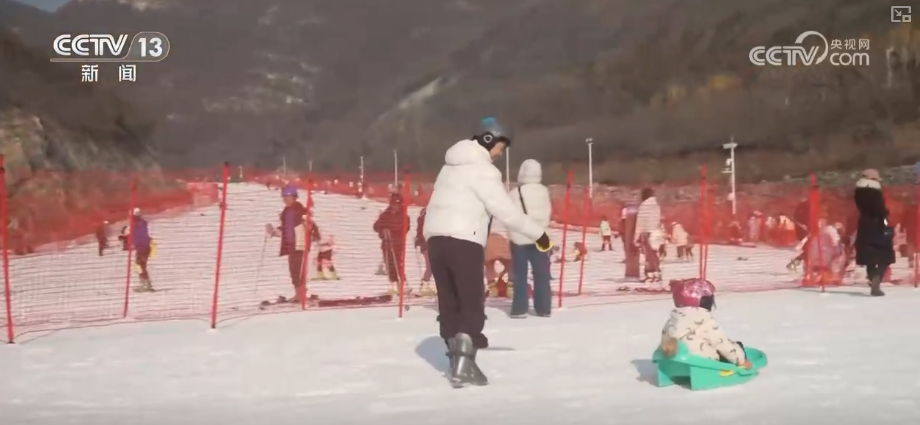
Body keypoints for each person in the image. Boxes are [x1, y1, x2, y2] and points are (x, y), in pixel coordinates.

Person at [423, 116, 552, 387]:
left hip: (435, 242)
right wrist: (539, 234)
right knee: (471, 302)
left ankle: (459, 362)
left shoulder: (449, 167)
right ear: (489, 139)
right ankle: (462, 365)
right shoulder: (483, 170)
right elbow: (505, 210)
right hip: (464, 242)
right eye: (500, 148)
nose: (499, 154)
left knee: (449, 303)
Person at [660, 278, 751, 368]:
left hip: (677, 363)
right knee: (736, 346)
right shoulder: (705, 321)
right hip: (703, 364)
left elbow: (665, 342)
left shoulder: (672, 321)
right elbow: (721, 343)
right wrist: (741, 361)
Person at [508, 159, 553, 318]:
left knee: (520, 275)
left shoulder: (515, 193)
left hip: (519, 239)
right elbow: (548, 214)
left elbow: (510, 216)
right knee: (542, 274)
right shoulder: (544, 191)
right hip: (539, 237)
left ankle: (520, 308)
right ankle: (544, 308)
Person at [854, 169, 894, 296]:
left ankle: (872, 276)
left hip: (864, 224)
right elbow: (880, 210)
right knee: (884, 255)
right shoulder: (875, 192)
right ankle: (876, 279)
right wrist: (886, 218)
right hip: (878, 224)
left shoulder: (858, 191)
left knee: (868, 254)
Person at [269, 185, 309, 302]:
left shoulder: (299, 209)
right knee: (294, 269)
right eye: (284, 197)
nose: (286, 199)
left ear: (294, 197)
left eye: (288, 197)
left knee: (298, 269)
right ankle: (298, 294)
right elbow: (286, 227)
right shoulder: (287, 211)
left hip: (300, 243)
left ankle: (301, 294)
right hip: (291, 244)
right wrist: (275, 231)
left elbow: (307, 224)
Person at [374, 193, 410, 295]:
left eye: (397, 204)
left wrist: (391, 231)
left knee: (398, 264)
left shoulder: (404, 216)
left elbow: (405, 228)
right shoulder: (385, 214)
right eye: (393, 204)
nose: (395, 206)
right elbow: (376, 227)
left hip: (398, 244)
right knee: (389, 264)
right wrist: (383, 230)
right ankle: (393, 283)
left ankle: (403, 284)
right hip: (386, 243)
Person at [634, 188, 663, 283]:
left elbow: (640, 222)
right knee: (655, 254)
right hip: (657, 231)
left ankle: (650, 274)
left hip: (647, 233)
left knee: (648, 255)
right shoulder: (656, 205)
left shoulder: (644, 206)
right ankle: (657, 272)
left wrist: (636, 237)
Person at [131, 208, 155, 292]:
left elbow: (137, 236)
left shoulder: (136, 224)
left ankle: (145, 283)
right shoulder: (141, 223)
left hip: (142, 248)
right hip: (144, 247)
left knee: (140, 265)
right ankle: (145, 283)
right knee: (140, 265)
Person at [414, 207, 435, 295]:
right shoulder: (427, 217)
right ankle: (424, 287)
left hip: (426, 244)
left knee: (431, 266)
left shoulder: (423, 216)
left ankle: (424, 286)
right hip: (427, 244)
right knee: (430, 267)